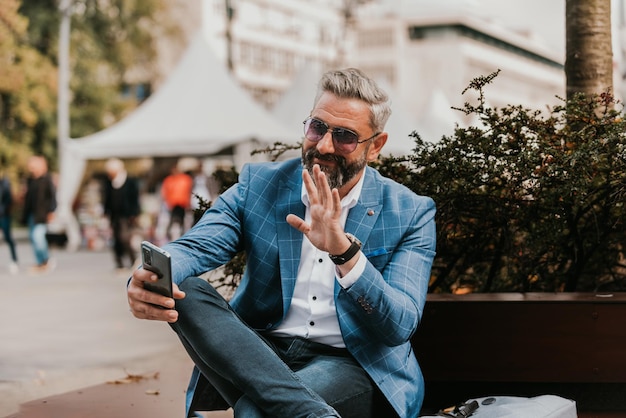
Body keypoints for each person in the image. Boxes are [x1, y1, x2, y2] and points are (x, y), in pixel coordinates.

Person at [127, 68, 437, 418]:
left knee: (254, 413)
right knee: (183, 287)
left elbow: (399, 324)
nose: (323, 145)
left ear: (376, 146)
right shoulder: (259, 185)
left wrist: (345, 253)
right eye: (317, 127)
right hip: (259, 352)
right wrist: (149, 275)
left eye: (345, 136)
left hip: (351, 363)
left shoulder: (410, 212)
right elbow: (196, 247)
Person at [103, 158, 141, 271]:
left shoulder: (130, 181)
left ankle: (133, 259)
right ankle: (119, 263)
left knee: (125, 238)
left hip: (127, 215)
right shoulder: (109, 182)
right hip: (114, 215)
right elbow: (107, 199)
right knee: (115, 240)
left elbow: (135, 199)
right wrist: (106, 212)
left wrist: (134, 213)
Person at [22, 155, 56, 273]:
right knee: (33, 238)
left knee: (38, 237)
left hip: (42, 214)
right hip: (32, 213)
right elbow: (28, 199)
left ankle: (46, 259)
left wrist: (51, 211)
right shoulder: (30, 180)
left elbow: (52, 197)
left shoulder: (46, 179)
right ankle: (39, 261)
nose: (31, 170)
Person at [160, 161, 193, 241]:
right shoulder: (169, 180)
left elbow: (189, 191)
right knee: (172, 222)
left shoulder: (185, 179)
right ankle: (170, 237)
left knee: (183, 223)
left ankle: (183, 237)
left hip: (182, 204)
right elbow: (164, 192)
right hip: (172, 204)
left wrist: (189, 203)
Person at [0, 172, 18, 274]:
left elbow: (9, 199)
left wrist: (5, 211)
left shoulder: (4, 184)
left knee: (8, 238)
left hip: (4, 215)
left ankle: (14, 260)